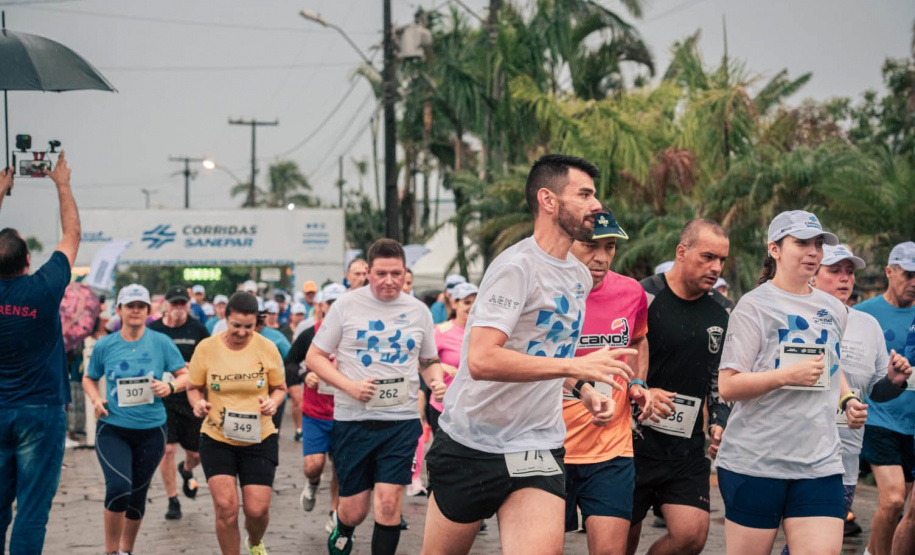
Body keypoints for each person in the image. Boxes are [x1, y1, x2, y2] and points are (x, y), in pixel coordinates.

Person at [420, 154, 635, 555]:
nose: (596, 205)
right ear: (548, 200)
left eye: (594, 195)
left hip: (538, 442)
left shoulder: (578, 275)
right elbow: (481, 360)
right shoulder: (515, 268)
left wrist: (584, 389)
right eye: (584, 195)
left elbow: (547, 354)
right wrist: (575, 365)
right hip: (473, 443)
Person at [716, 210, 867, 555]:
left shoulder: (834, 309)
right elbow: (728, 385)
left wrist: (846, 400)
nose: (813, 252)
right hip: (756, 462)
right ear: (775, 249)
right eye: (801, 243)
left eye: (818, 244)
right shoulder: (753, 306)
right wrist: (785, 376)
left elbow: (831, 366)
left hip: (820, 463)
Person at [306, 239, 447, 555]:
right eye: (381, 273)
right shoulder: (346, 306)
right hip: (354, 420)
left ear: (405, 272)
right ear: (368, 272)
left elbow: (428, 360)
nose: (389, 281)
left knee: (387, 503)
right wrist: (348, 386)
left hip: (401, 421)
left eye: (396, 273)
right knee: (354, 510)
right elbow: (314, 357)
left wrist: (436, 381)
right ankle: (344, 529)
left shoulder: (418, 311)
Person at [779, 244, 910, 555]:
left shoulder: (867, 324)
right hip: (789, 455)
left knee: (817, 548)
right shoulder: (790, 316)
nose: (845, 278)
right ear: (813, 274)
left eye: (850, 272)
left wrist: (894, 381)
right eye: (835, 270)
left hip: (843, 459)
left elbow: (876, 391)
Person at [626, 219, 733, 555]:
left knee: (691, 537)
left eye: (722, 260)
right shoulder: (643, 296)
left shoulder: (722, 311)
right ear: (681, 252)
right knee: (619, 545)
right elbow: (616, 358)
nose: (716, 268)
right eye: (708, 257)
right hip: (632, 443)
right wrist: (640, 391)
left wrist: (719, 421)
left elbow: (718, 374)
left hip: (685, 448)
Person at [0, 153, 79, 555]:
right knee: (31, 511)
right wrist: (61, 184)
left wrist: (0, 192)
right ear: (29, 260)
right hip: (41, 412)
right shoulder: (44, 288)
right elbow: (72, 236)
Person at [564, 211, 653, 555]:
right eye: (591, 246)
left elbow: (639, 339)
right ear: (568, 242)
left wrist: (637, 382)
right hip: (550, 444)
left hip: (611, 447)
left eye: (610, 247)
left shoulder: (631, 292)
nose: (601, 257)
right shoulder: (546, 292)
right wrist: (581, 387)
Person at [82, 284, 188, 555]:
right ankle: (110, 552)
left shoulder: (161, 342)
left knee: (137, 495)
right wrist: (96, 399)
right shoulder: (105, 345)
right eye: (130, 306)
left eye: (141, 306)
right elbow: (89, 378)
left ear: (148, 311)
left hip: (151, 430)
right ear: (119, 310)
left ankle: (126, 550)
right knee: (119, 487)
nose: (135, 311)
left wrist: (170, 387)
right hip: (113, 428)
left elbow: (186, 375)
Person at [187, 292, 287, 555]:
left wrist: (273, 402)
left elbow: (280, 388)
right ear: (225, 318)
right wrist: (198, 403)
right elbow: (193, 387)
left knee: (257, 510)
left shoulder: (267, 347)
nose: (242, 332)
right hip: (217, 437)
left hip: (259, 437)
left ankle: (254, 542)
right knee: (226, 509)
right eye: (236, 326)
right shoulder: (206, 348)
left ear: (257, 323)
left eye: (248, 327)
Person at [856, 241, 915, 555]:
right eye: (908, 274)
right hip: (880, 418)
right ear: (889, 272)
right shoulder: (863, 314)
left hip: (912, 424)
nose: (914, 282)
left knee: (908, 514)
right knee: (892, 500)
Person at [148, 285, 210, 521]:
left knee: (196, 453)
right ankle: (172, 499)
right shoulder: (154, 330)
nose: (178, 308)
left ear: (188, 305)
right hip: (163, 398)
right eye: (174, 303)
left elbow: (210, 360)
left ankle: (186, 469)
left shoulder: (198, 329)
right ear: (166, 305)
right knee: (167, 449)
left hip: (191, 396)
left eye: (182, 303)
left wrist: (196, 372)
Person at [287, 285, 345, 533]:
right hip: (315, 414)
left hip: (345, 414)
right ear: (322, 306)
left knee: (340, 467)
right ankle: (312, 483)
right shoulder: (310, 334)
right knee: (314, 465)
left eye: (339, 303)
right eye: (330, 303)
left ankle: (334, 513)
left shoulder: (355, 335)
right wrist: (304, 375)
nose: (335, 308)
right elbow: (290, 363)